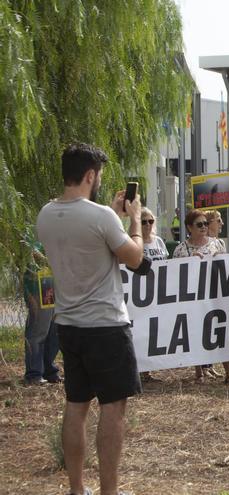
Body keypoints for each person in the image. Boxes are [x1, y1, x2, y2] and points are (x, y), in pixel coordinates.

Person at [36, 143, 144, 495]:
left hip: (69, 324)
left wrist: (109, 214)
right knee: (113, 408)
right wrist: (134, 220)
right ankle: (109, 492)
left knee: (76, 405)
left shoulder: (46, 214)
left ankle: (76, 488)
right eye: (96, 176)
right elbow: (134, 258)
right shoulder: (101, 217)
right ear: (89, 175)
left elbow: (85, 244)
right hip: (106, 325)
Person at [173, 209, 229, 384]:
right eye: (199, 224)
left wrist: (220, 258)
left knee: (221, 331)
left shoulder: (217, 243)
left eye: (206, 224)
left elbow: (228, 266)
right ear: (189, 227)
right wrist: (189, 261)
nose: (204, 227)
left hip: (216, 294)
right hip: (194, 298)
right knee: (196, 332)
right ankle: (199, 372)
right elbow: (175, 275)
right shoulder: (181, 249)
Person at [22, 244, 62, 386]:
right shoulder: (36, 229)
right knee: (39, 330)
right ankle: (34, 374)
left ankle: (48, 370)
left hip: (57, 281)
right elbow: (29, 252)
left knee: (55, 331)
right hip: (41, 279)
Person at [139, 207, 167, 384]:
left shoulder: (159, 242)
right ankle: (142, 369)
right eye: (144, 221)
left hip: (158, 292)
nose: (148, 225)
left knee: (155, 330)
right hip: (141, 293)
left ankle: (149, 368)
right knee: (142, 330)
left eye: (151, 221)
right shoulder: (134, 242)